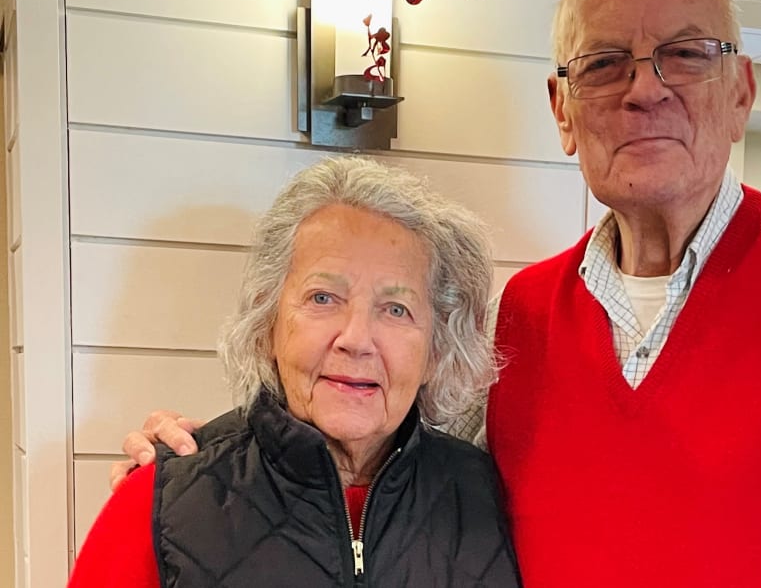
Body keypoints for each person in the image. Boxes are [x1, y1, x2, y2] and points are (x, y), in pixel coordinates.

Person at [111, 0, 761, 587]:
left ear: (741, 91)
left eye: (687, 54)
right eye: (604, 63)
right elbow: (396, 474)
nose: (644, 89)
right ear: (562, 109)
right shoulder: (522, 312)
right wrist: (202, 465)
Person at [73, 157, 521, 587]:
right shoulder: (158, 502)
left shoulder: (489, 496)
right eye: (323, 298)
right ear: (267, 321)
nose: (357, 339)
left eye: (396, 309)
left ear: (437, 349)